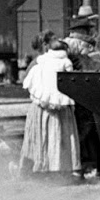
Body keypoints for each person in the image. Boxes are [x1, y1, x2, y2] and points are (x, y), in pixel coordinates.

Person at [21, 32, 80, 178]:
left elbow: (28, 82)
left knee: (41, 137)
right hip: (61, 106)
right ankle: (61, 167)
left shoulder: (39, 62)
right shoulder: (67, 62)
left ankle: (41, 166)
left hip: (41, 107)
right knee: (61, 137)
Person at [62, 17, 100, 179]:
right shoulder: (78, 45)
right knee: (85, 132)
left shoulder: (67, 45)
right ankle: (87, 165)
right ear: (82, 31)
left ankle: (83, 165)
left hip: (75, 97)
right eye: (88, 30)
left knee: (80, 133)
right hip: (81, 96)